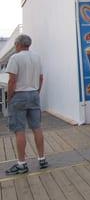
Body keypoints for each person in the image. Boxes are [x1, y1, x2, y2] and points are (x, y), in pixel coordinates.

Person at [5, 34, 48, 175]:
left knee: (19, 129)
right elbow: (41, 78)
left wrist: (9, 98)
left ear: (18, 44)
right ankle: (42, 159)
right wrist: (36, 92)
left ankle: (22, 164)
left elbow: (12, 81)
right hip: (34, 93)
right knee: (37, 127)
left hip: (19, 95)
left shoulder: (15, 58)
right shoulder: (36, 57)